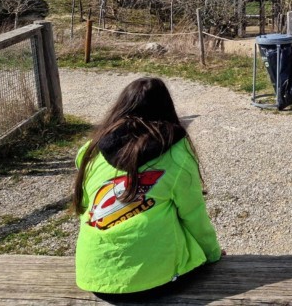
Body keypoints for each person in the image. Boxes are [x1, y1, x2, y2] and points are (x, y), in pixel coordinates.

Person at [72, 77, 222, 295]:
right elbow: (193, 214)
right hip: (157, 281)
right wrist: (212, 254)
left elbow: (86, 207)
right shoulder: (177, 152)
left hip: (94, 276)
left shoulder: (91, 150)